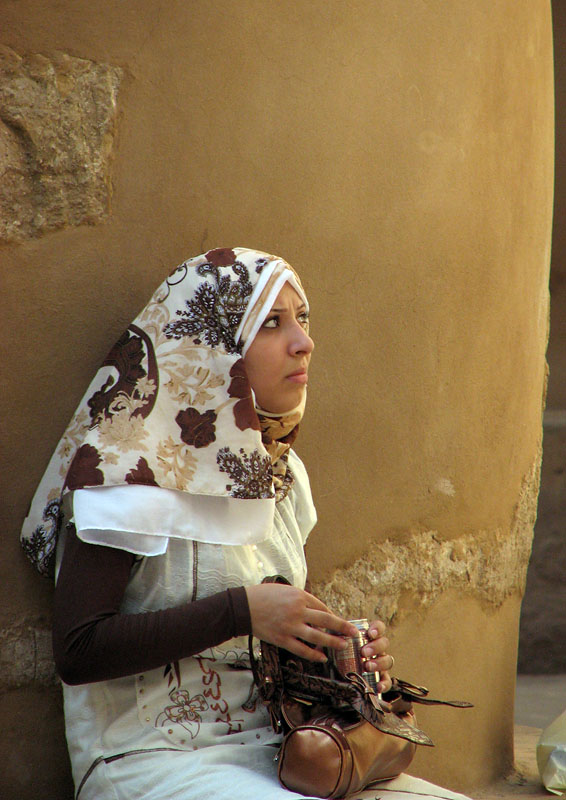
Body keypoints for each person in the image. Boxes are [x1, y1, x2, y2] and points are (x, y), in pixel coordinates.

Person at [22, 247, 470, 800]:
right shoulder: (122, 473)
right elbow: (79, 649)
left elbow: (267, 638)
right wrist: (243, 611)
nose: (304, 342)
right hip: (151, 758)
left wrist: (336, 647)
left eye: (302, 319)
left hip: (283, 752)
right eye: (271, 324)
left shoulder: (278, 473)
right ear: (211, 347)